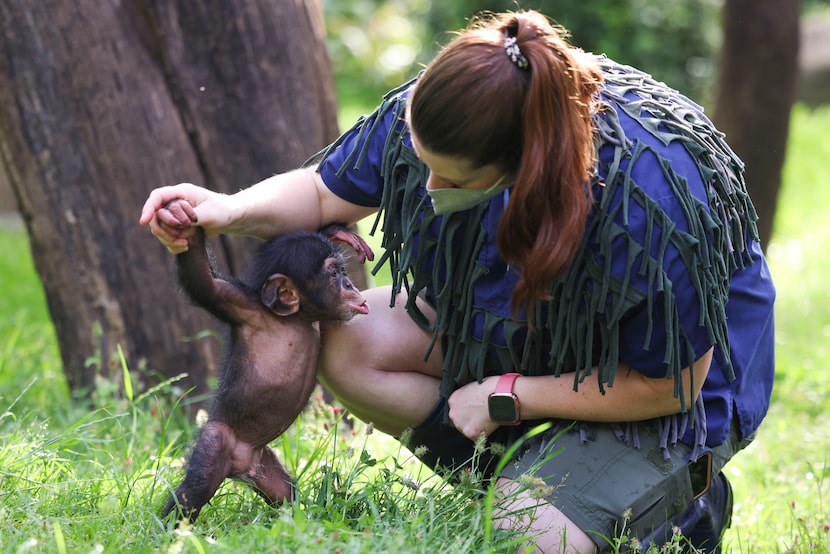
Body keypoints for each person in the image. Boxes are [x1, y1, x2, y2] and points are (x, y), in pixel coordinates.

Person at [141, 10, 775, 553]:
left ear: (527, 168)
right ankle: (529, 473)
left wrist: (508, 395)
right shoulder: (449, 107)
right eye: (421, 162)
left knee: (530, 531)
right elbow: (319, 191)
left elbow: (674, 384)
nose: (430, 188)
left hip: (668, 392)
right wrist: (224, 209)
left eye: (455, 180)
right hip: (542, 332)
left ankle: (682, 505)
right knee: (348, 338)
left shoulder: (647, 202)